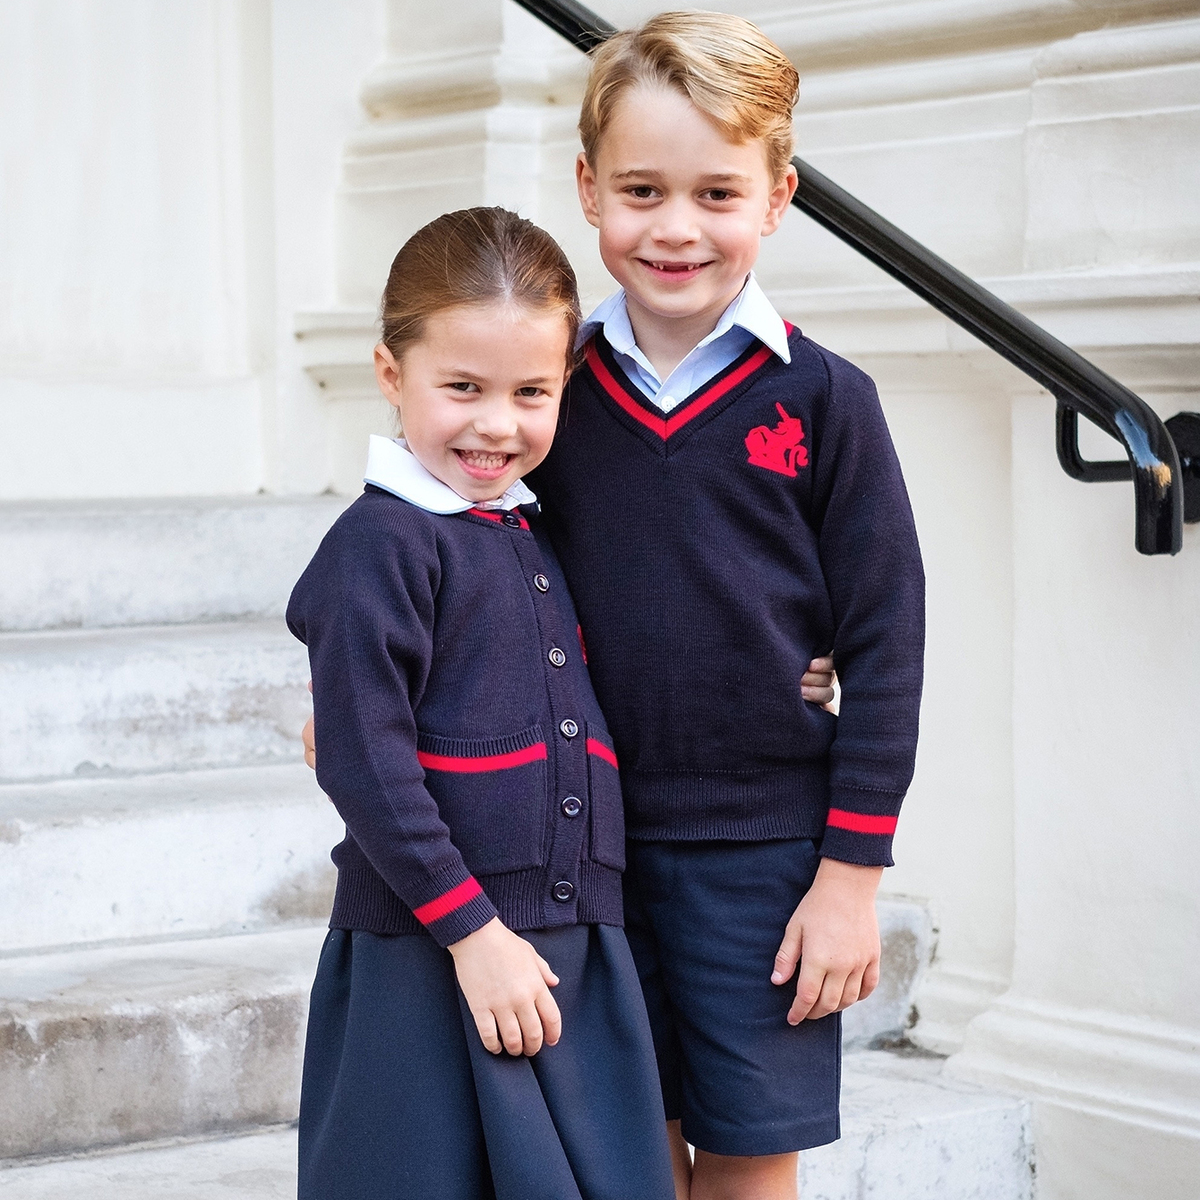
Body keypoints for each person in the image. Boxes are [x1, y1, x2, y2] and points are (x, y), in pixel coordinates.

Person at [528, 13, 925, 1200]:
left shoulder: (827, 401)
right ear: (590, 189)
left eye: (716, 191)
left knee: (749, 1158)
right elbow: (448, 552)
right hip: (578, 843)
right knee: (623, 1152)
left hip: (762, 854)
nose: (677, 227)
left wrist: (852, 876)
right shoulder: (547, 397)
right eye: (643, 189)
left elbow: (888, 638)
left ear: (777, 196)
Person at [285, 206, 677, 1200]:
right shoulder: (384, 547)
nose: (496, 423)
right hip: (429, 947)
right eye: (462, 387)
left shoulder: (531, 532)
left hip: (566, 942)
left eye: (530, 392)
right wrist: (470, 933)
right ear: (391, 375)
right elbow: (363, 760)